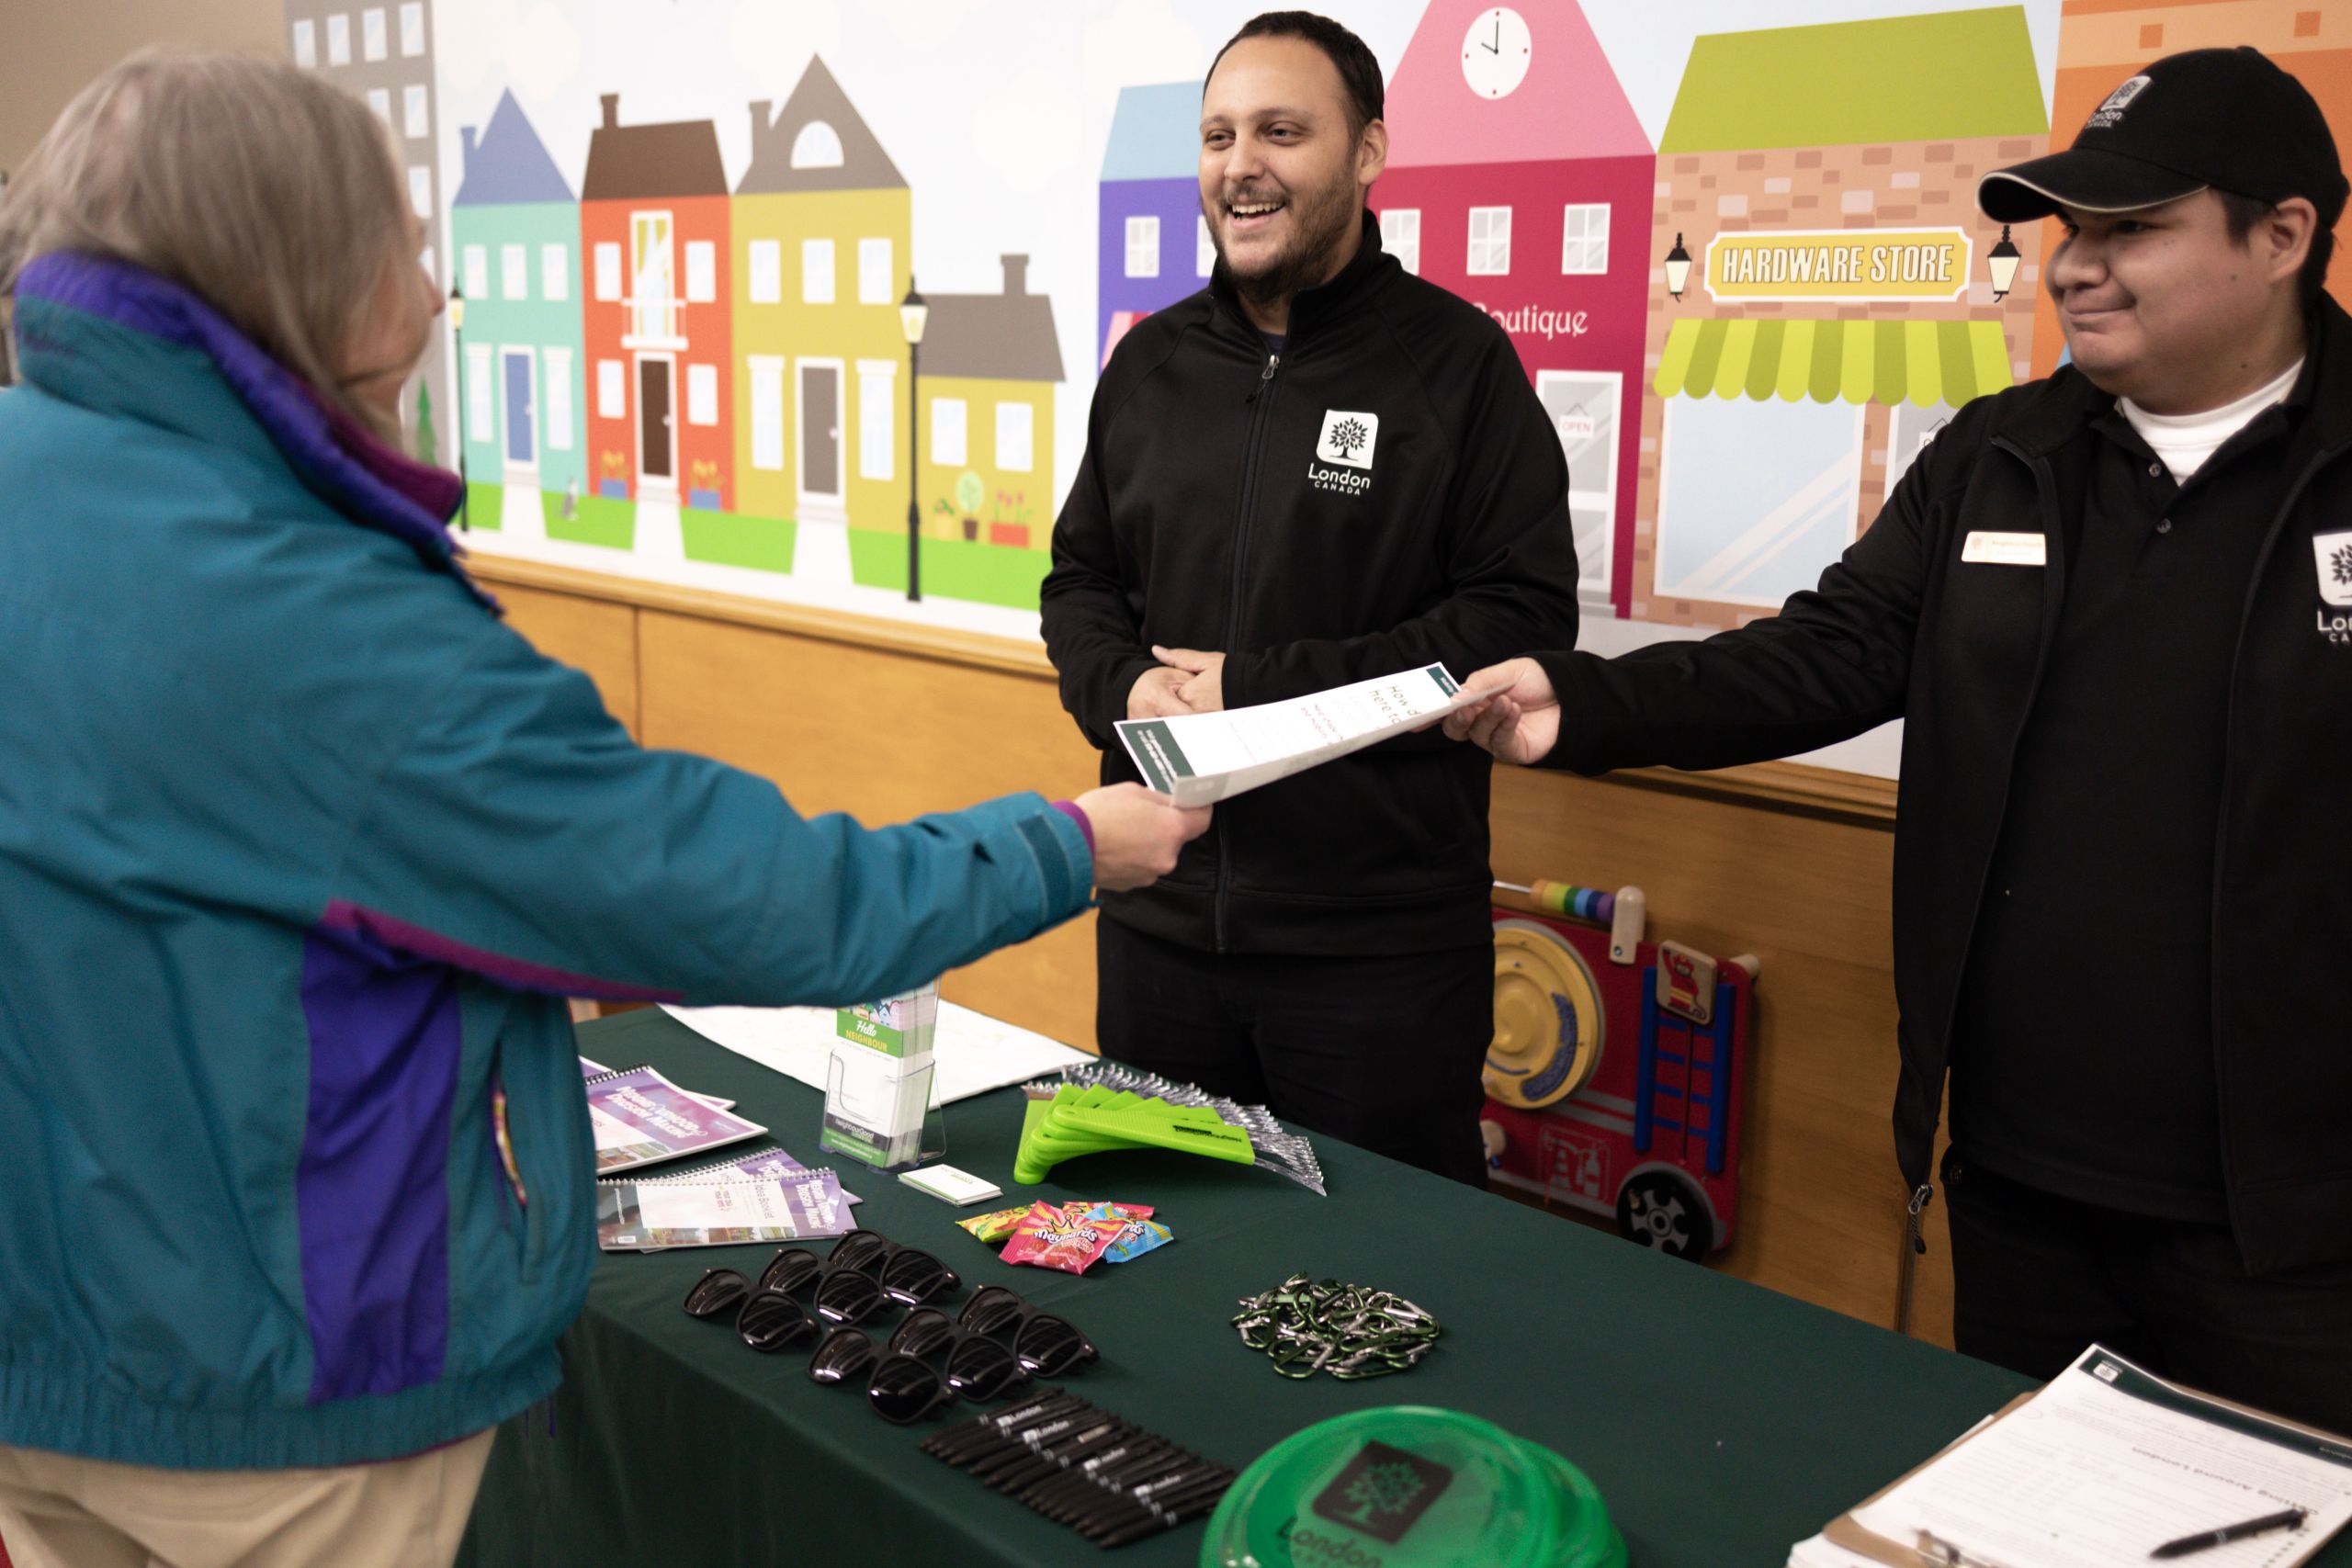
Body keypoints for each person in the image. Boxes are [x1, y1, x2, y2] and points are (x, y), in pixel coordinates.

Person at [0, 50, 1206, 1568]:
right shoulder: (328, 627)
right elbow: (745, 896)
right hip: (282, 1399)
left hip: (43, 1356)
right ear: (300, 279)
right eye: (406, 248)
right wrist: (1066, 842)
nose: (435, 300)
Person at [1448, 46, 2352, 1430]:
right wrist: (1586, 703)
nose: (2074, 267)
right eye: (2069, 231)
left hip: (2302, 1227)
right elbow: (1829, 651)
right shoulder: (2000, 454)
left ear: (2281, 235)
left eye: (2131, 229)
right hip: (2019, 1183)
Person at [1039, 12, 1582, 1187]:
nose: (1241, 165)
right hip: (1157, 929)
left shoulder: (1458, 365)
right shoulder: (1149, 365)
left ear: (1368, 152)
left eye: (1281, 132)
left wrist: (1254, 690)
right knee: (1164, 1263)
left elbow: (1520, 620)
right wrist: (1126, 688)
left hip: (1377, 958)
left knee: (1387, 1273)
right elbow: (1079, 580)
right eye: (1218, 136)